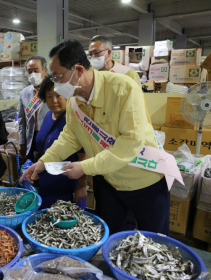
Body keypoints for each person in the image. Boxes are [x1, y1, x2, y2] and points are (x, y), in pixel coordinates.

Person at [21, 39, 181, 236]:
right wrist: (44, 162)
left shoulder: (123, 88)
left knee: (154, 240)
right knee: (111, 237)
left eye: (57, 77)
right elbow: (70, 137)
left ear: (78, 70)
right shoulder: (74, 101)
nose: (54, 84)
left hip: (143, 179)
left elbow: (130, 142)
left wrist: (84, 168)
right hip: (107, 182)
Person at [89, 35, 148, 230]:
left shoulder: (127, 74)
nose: (93, 57)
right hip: (99, 145)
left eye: (96, 53)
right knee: (105, 200)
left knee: (125, 200)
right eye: (90, 54)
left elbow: (136, 112)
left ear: (109, 53)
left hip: (121, 145)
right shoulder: (92, 76)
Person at [36, 76, 88, 209]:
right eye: (49, 96)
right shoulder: (48, 116)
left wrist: (82, 185)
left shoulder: (74, 119)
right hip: (46, 184)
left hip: (68, 186)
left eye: (59, 96)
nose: (54, 101)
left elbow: (84, 156)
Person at [18, 55, 50, 161]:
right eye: (29, 71)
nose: (33, 74)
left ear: (44, 71)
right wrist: (22, 142)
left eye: (36, 70)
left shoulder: (54, 90)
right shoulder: (24, 93)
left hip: (50, 138)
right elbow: (22, 120)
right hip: (31, 140)